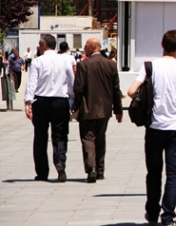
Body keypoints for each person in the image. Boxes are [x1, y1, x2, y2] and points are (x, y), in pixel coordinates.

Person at [127, 30, 176, 226]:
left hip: (154, 127)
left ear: (161, 44)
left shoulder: (150, 67)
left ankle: (151, 212)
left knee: (154, 172)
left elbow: (131, 91)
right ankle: (168, 218)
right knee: (173, 175)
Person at [24, 34, 74, 182]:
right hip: (60, 101)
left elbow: (32, 83)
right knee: (60, 135)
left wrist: (28, 102)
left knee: (40, 136)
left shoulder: (37, 61)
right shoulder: (65, 61)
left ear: (44, 45)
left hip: (41, 101)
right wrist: (72, 99)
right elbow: (71, 81)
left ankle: (42, 171)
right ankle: (59, 162)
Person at [72, 38, 123, 183]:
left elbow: (79, 89)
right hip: (105, 110)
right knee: (100, 138)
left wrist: (75, 106)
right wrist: (118, 110)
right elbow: (116, 89)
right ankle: (100, 170)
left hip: (87, 109)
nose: (84, 49)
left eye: (86, 46)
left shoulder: (84, 65)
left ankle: (91, 168)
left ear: (93, 47)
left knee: (88, 138)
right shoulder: (110, 65)